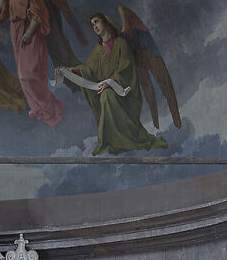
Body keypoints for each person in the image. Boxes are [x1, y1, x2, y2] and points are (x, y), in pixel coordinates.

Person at [57, 11, 171, 155]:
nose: (95, 26)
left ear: (105, 22)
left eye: (97, 22)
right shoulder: (98, 50)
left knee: (107, 96)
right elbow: (88, 69)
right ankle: (111, 141)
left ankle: (122, 140)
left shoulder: (121, 44)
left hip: (126, 94)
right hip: (110, 91)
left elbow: (126, 68)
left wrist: (111, 82)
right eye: (92, 25)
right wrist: (69, 71)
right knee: (106, 95)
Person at [0, 0, 65, 126]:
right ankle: (39, 108)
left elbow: (39, 11)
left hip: (30, 30)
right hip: (16, 30)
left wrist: (30, 32)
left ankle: (50, 107)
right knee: (22, 75)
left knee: (30, 74)